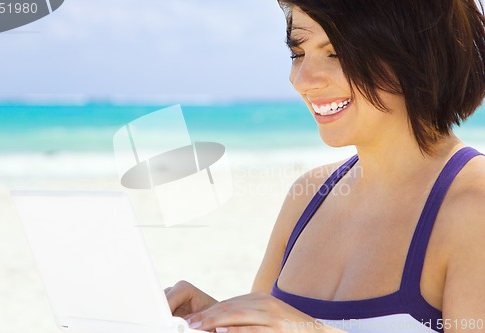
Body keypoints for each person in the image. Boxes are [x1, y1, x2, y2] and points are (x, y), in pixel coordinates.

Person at [165, 0, 485, 332]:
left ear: (414, 51)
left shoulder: (474, 204)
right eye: (298, 54)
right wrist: (217, 319)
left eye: (336, 54)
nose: (304, 80)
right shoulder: (307, 196)